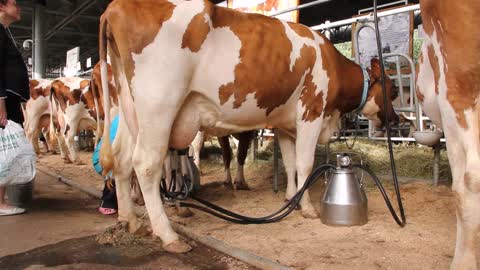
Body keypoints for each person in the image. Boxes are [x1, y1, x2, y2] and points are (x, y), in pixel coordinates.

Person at [0, 0, 30, 216]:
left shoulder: (4, 31)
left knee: (4, 150)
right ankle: (0, 203)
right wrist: (0, 104)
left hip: (8, 99)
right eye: (14, 3)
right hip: (4, 100)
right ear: (1, 6)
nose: (18, 8)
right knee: (3, 152)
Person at [92, 115, 120, 215]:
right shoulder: (124, 118)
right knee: (116, 175)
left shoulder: (118, 116)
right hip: (103, 160)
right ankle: (108, 202)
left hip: (101, 157)